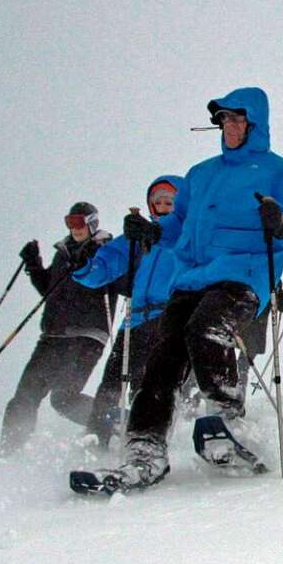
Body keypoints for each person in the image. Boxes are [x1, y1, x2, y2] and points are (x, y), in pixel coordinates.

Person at [84, 87, 283, 491]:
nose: (229, 126)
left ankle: (228, 417)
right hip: (192, 276)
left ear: (254, 124)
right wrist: (151, 231)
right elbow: (177, 228)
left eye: (237, 119)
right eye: (224, 120)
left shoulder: (276, 171)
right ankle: (145, 450)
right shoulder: (199, 175)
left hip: (242, 275)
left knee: (205, 330)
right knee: (163, 359)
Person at [75, 176, 184, 449]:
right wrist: (85, 260)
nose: (162, 206)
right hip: (135, 319)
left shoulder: (186, 233)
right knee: (111, 381)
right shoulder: (135, 237)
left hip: (167, 315)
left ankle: (144, 438)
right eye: (157, 201)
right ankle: (96, 436)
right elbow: (103, 267)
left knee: (148, 383)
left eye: (169, 201)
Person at [0, 203, 115, 454]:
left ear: (92, 223)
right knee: (26, 393)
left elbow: (111, 281)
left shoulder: (105, 250)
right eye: (70, 222)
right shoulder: (63, 252)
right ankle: (9, 448)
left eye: (79, 222)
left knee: (64, 397)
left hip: (87, 335)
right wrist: (33, 265)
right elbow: (50, 290)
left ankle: (118, 425)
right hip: (53, 334)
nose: (74, 228)